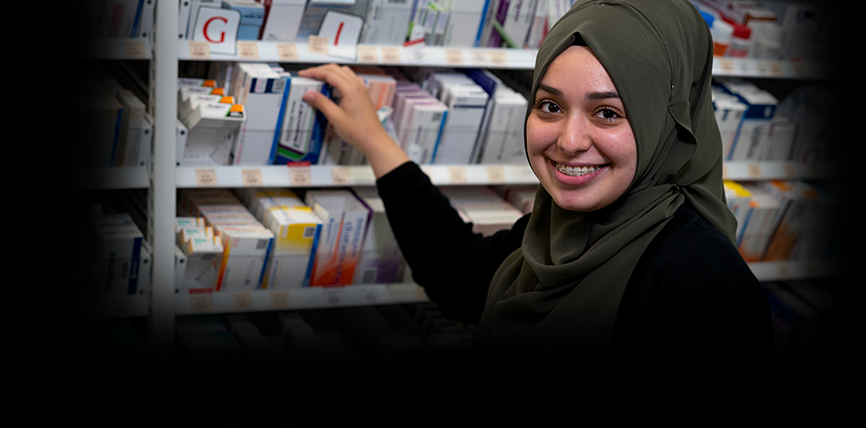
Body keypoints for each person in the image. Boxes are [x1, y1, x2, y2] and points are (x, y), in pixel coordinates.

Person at [297, 0, 774, 377]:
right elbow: (459, 274)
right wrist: (376, 142)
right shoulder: (555, 231)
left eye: (607, 112)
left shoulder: (710, 290)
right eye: (549, 106)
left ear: (669, 125)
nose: (568, 141)